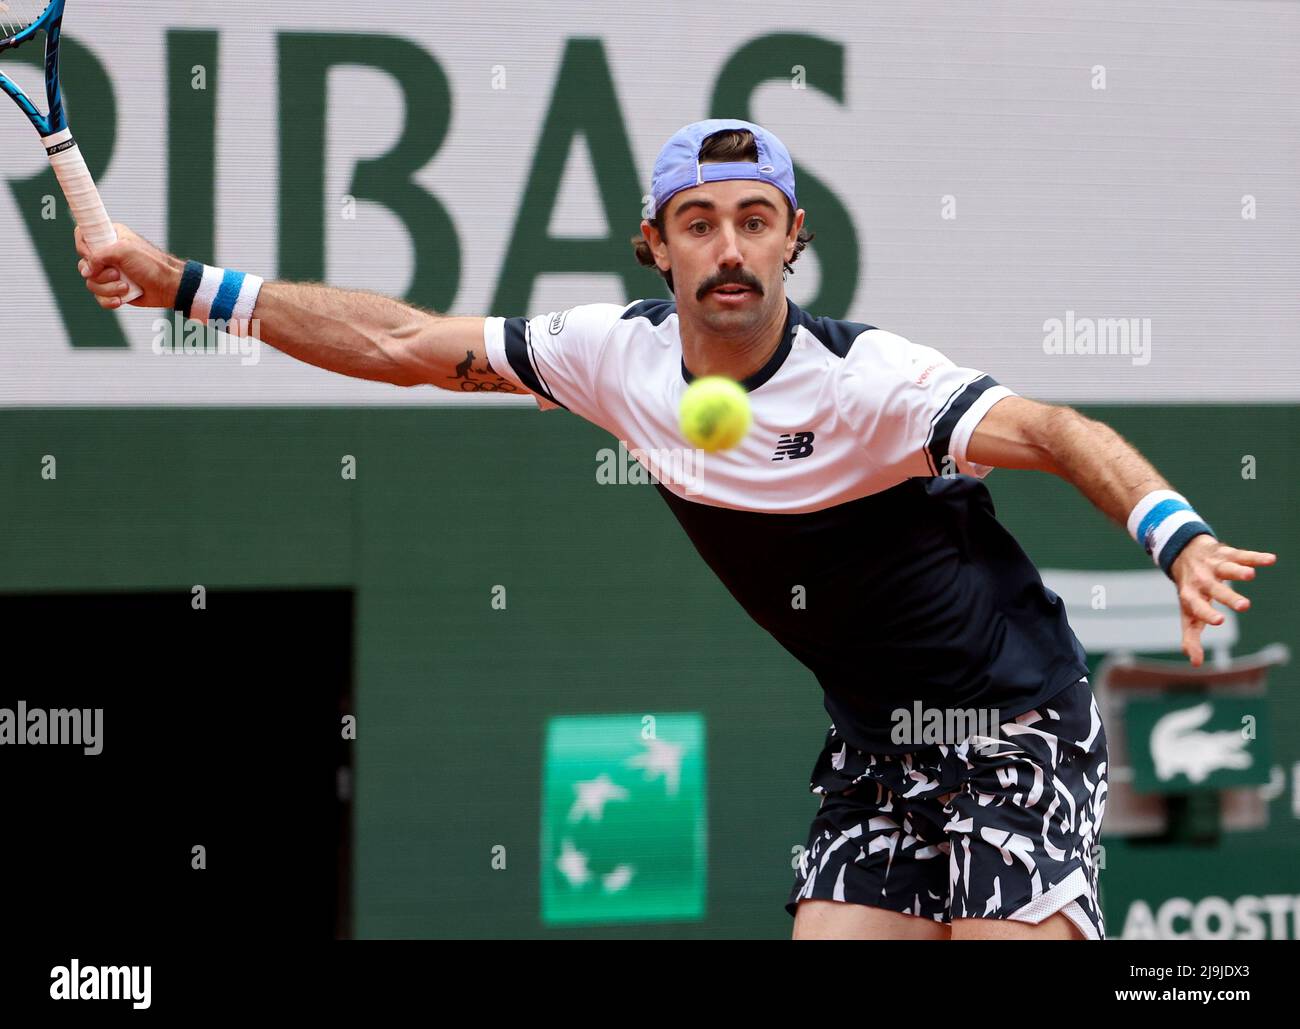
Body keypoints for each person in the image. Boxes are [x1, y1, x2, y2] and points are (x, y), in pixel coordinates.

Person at [73, 118, 1275, 940]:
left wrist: (1173, 536)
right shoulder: (614, 357)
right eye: (698, 221)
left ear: (794, 237)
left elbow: (1058, 429)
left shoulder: (873, 385)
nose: (731, 246)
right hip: (874, 748)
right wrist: (177, 281)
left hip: (1013, 729)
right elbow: (402, 345)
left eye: (757, 218)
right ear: (655, 245)